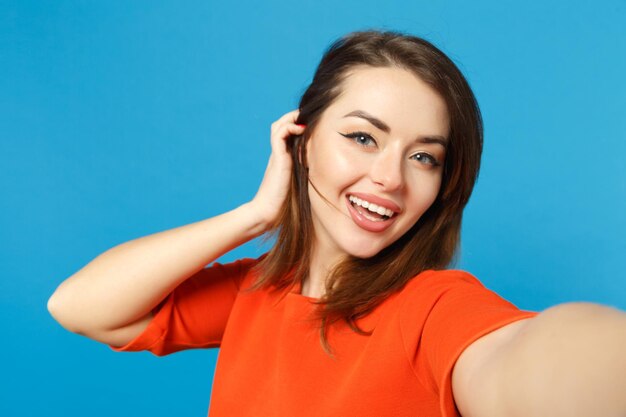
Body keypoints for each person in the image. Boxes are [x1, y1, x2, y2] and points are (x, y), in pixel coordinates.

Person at [47, 30, 626, 417]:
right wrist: (255, 217)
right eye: (362, 137)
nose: (391, 178)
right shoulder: (254, 291)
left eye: (424, 156)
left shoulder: (433, 307)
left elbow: (532, 361)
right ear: (301, 143)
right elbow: (78, 307)